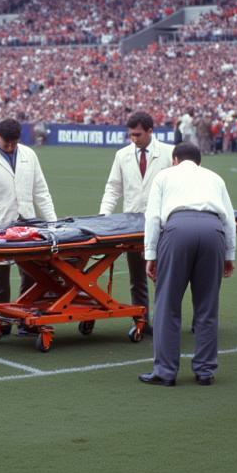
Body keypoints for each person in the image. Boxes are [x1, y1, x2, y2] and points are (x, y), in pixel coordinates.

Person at [139, 143, 236, 387]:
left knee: (168, 304)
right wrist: (229, 254)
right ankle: (205, 370)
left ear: (174, 159)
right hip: (213, 231)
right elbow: (229, 219)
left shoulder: (164, 176)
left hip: (177, 229)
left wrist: (150, 253)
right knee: (207, 305)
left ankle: (165, 371)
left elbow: (152, 216)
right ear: (199, 162)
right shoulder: (214, 178)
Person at [99, 110, 171, 331]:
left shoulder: (169, 153)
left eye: (138, 134)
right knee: (137, 277)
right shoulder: (122, 155)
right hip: (132, 225)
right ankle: (142, 322)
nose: (134, 139)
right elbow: (113, 188)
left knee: (164, 276)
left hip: (163, 224)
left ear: (150, 131)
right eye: (131, 135)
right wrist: (103, 217)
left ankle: (166, 322)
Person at [0, 117, 57, 307]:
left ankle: (25, 318)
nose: (11, 147)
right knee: (0, 276)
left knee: (30, 273)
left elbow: (41, 191)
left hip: (27, 223)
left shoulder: (30, 155)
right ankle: (0, 318)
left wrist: (52, 222)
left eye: (14, 143)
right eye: (6, 143)